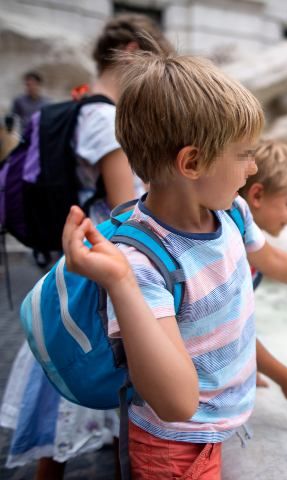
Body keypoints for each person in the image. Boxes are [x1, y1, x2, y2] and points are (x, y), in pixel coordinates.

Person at [61, 50, 287, 479]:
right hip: (176, 448)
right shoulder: (141, 263)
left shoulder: (232, 212)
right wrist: (121, 285)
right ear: (193, 163)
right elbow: (176, 404)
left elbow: (268, 258)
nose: (253, 167)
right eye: (244, 155)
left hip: (218, 423)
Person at [0, 14, 173, 480]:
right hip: (107, 257)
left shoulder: (84, 109)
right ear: (134, 54)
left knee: (67, 374)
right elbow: (125, 206)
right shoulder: (104, 117)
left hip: (86, 254)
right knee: (104, 373)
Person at [241, 140, 287, 402]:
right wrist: (285, 378)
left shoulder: (242, 240)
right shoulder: (232, 249)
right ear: (257, 195)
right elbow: (231, 330)